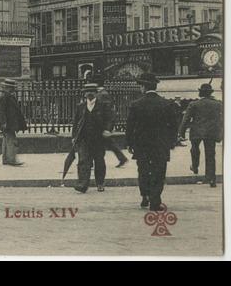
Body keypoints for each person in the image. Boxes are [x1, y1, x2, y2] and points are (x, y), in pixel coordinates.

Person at [125, 72, 180, 211]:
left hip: (141, 144)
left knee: (143, 170)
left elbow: (130, 126)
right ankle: (155, 201)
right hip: (160, 144)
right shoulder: (166, 104)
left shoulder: (136, 104)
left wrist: (129, 143)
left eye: (140, 86)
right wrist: (172, 142)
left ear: (143, 87)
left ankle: (145, 196)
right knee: (159, 171)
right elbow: (174, 126)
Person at [178, 83, 223, 188]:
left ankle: (195, 166)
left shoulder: (194, 104)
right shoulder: (218, 104)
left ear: (200, 93)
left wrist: (181, 133)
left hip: (196, 132)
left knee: (194, 149)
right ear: (210, 93)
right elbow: (221, 120)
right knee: (210, 155)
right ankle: (211, 179)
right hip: (211, 133)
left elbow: (186, 119)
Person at [72, 83, 111, 193]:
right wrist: (74, 136)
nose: (89, 93)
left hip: (98, 139)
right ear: (84, 94)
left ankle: (100, 183)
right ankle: (83, 184)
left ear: (96, 93)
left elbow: (109, 119)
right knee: (83, 161)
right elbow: (76, 123)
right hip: (84, 139)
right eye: (87, 91)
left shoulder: (102, 105)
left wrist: (107, 129)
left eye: (92, 91)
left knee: (99, 161)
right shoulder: (81, 106)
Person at [93, 74, 129, 167]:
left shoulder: (103, 94)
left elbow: (108, 112)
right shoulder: (101, 94)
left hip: (103, 125)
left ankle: (92, 163)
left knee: (102, 143)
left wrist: (108, 127)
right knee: (108, 143)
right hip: (101, 125)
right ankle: (122, 158)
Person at [0, 78, 26, 166]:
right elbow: (1, 111)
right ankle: (12, 159)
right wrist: (3, 122)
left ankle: (5, 159)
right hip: (9, 123)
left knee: (6, 140)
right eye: (12, 88)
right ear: (8, 88)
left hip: (9, 122)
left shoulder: (8, 96)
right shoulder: (5, 97)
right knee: (12, 140)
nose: (14, 90)